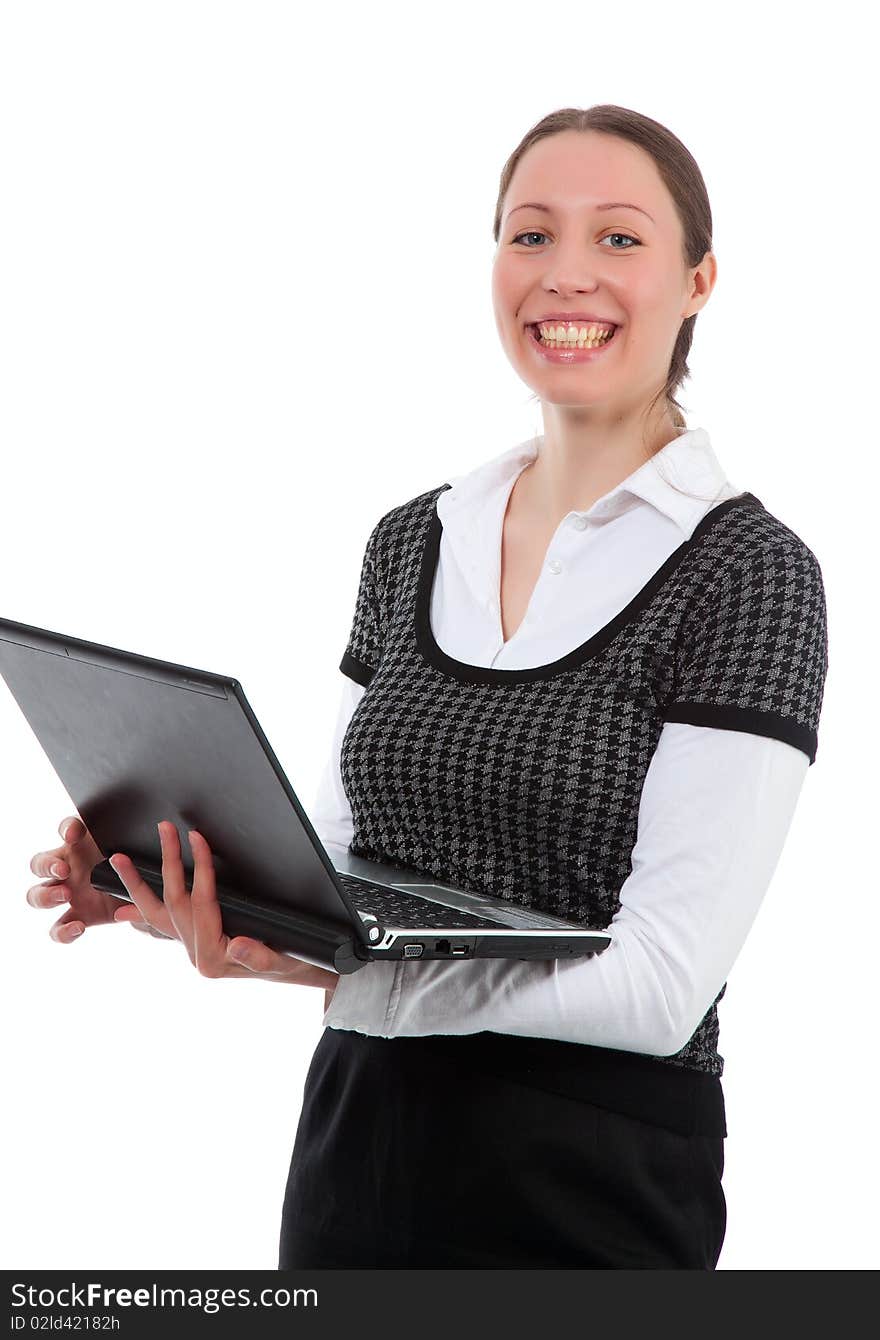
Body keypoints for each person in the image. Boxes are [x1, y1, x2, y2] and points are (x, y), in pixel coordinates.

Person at [26, 104, 828, 1269]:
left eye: (618, 239)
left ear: (697, 279)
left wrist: (375, 985)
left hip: (590, 1181)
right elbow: (354, 893)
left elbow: (659, 987)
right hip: (360, 1146)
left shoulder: (750, 573)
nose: (565, 275)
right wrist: (220, 914)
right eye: (528, 234)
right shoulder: (411, 540)